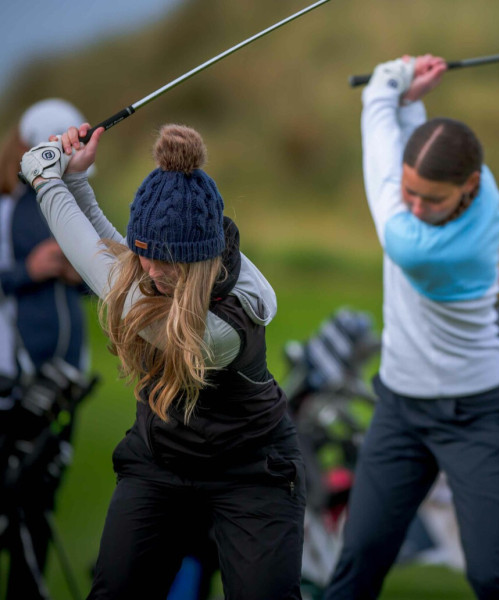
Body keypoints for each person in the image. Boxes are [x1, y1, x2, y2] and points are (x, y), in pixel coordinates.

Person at [19, 122, 305, 599]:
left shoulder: (224, 327)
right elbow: (118, 254)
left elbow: (103, 274)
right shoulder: (159, 266)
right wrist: (75, 179)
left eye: (165, 263)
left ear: (198, 261)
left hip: (252, 470)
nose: (151, 271)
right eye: (146, 256)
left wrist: (46, 181)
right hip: (161, 462)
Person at [324, 54, 499, 600]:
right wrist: (413, 102)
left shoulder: (420, 247)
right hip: (401, 410)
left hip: (479, 415)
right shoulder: (466, 193)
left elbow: (380, 160)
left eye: (430, 199)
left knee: (493, 577)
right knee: (357, 565)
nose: (413, 207)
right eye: (410, 192)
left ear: (471, 186)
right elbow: (414, 156)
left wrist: (383, 88)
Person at [0, 98, 91, 600]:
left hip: (63, 381)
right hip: (13, 382)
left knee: (39, 511)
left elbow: (94, 287)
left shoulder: (67, 204)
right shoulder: (6, 211)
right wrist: (26, 272)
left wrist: (79, 273)